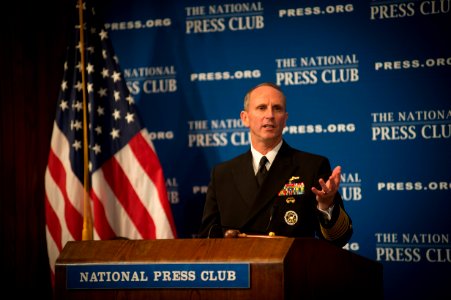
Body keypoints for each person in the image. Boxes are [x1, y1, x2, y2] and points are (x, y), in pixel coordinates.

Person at [199, 82, 353, 247]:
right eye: (261, 108)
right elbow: (207, 241)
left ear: (285, 119)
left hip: (291, 268)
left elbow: (339, 239)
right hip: (239, 269)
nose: (270, 115)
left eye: (277, 108)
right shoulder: (222, 174)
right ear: (245, 118)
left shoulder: (312, 167)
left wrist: (326, 205)